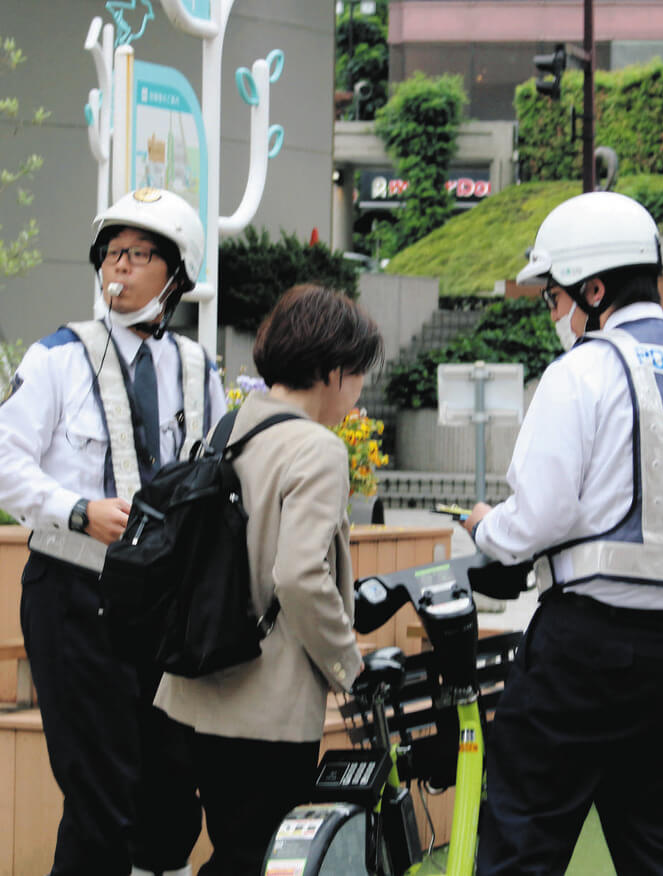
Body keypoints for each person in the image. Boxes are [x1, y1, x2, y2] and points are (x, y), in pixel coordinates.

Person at [461, 191, 663, 873]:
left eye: (556, 296)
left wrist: (488, 530)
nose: (555, 313)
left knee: (525, 837)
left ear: (593, 289)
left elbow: (535, 519)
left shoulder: (582, 373)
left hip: (585, 647)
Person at [0, 186, 225, 876]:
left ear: (177, 275)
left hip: (160, 607)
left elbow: (215, 466)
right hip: (73, 593)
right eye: (112, 254)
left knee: (169, 793)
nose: (118, 269)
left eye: (139, 255)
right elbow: (4, 460)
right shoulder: (57, 357)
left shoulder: (198, 367)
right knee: (100, 798)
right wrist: (76, 510)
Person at [154, 284, 382, 874]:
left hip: (191, 693)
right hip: (265, 706)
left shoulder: (227, 428)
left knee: (230, 853)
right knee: (257, 857)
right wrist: (347, 667)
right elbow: (302, 576)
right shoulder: (317, 449)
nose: (358, 393)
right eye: (358, 375)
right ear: (333, 370)